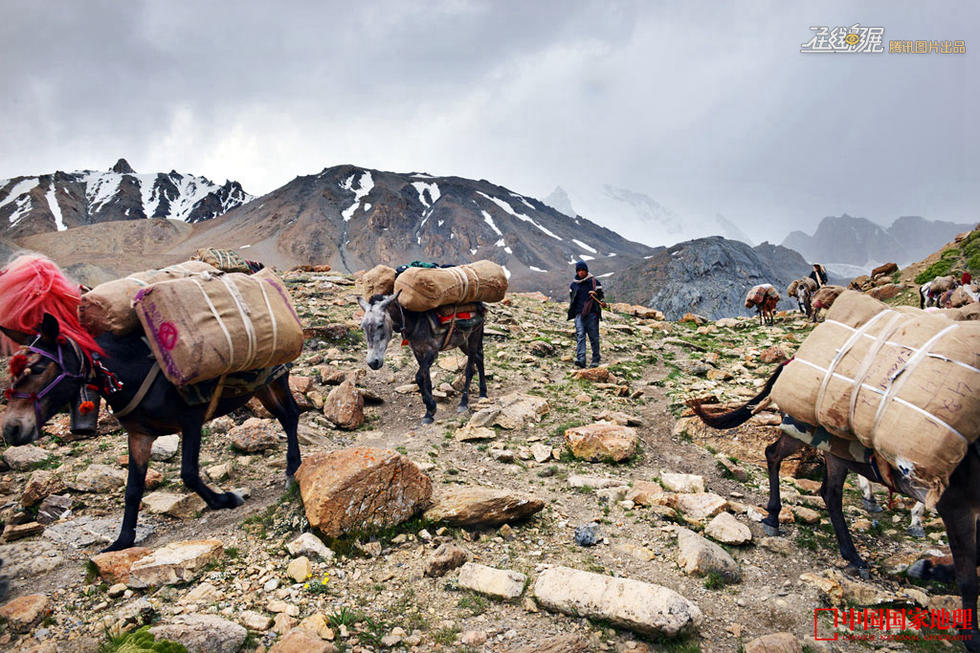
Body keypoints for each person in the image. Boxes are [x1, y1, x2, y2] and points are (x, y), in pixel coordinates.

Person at [567, 261, 604, 368]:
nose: (581, 272)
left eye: (583, 270)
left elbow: (601, 297)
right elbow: (572, 298)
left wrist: (596, 295)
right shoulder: (573, 285)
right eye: (579, 270)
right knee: (580, 335)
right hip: (579, 314)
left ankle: (595, 359)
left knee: (593, 337)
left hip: (592, 313)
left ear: (586, 271)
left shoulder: (594, 282)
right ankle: (581, 359)